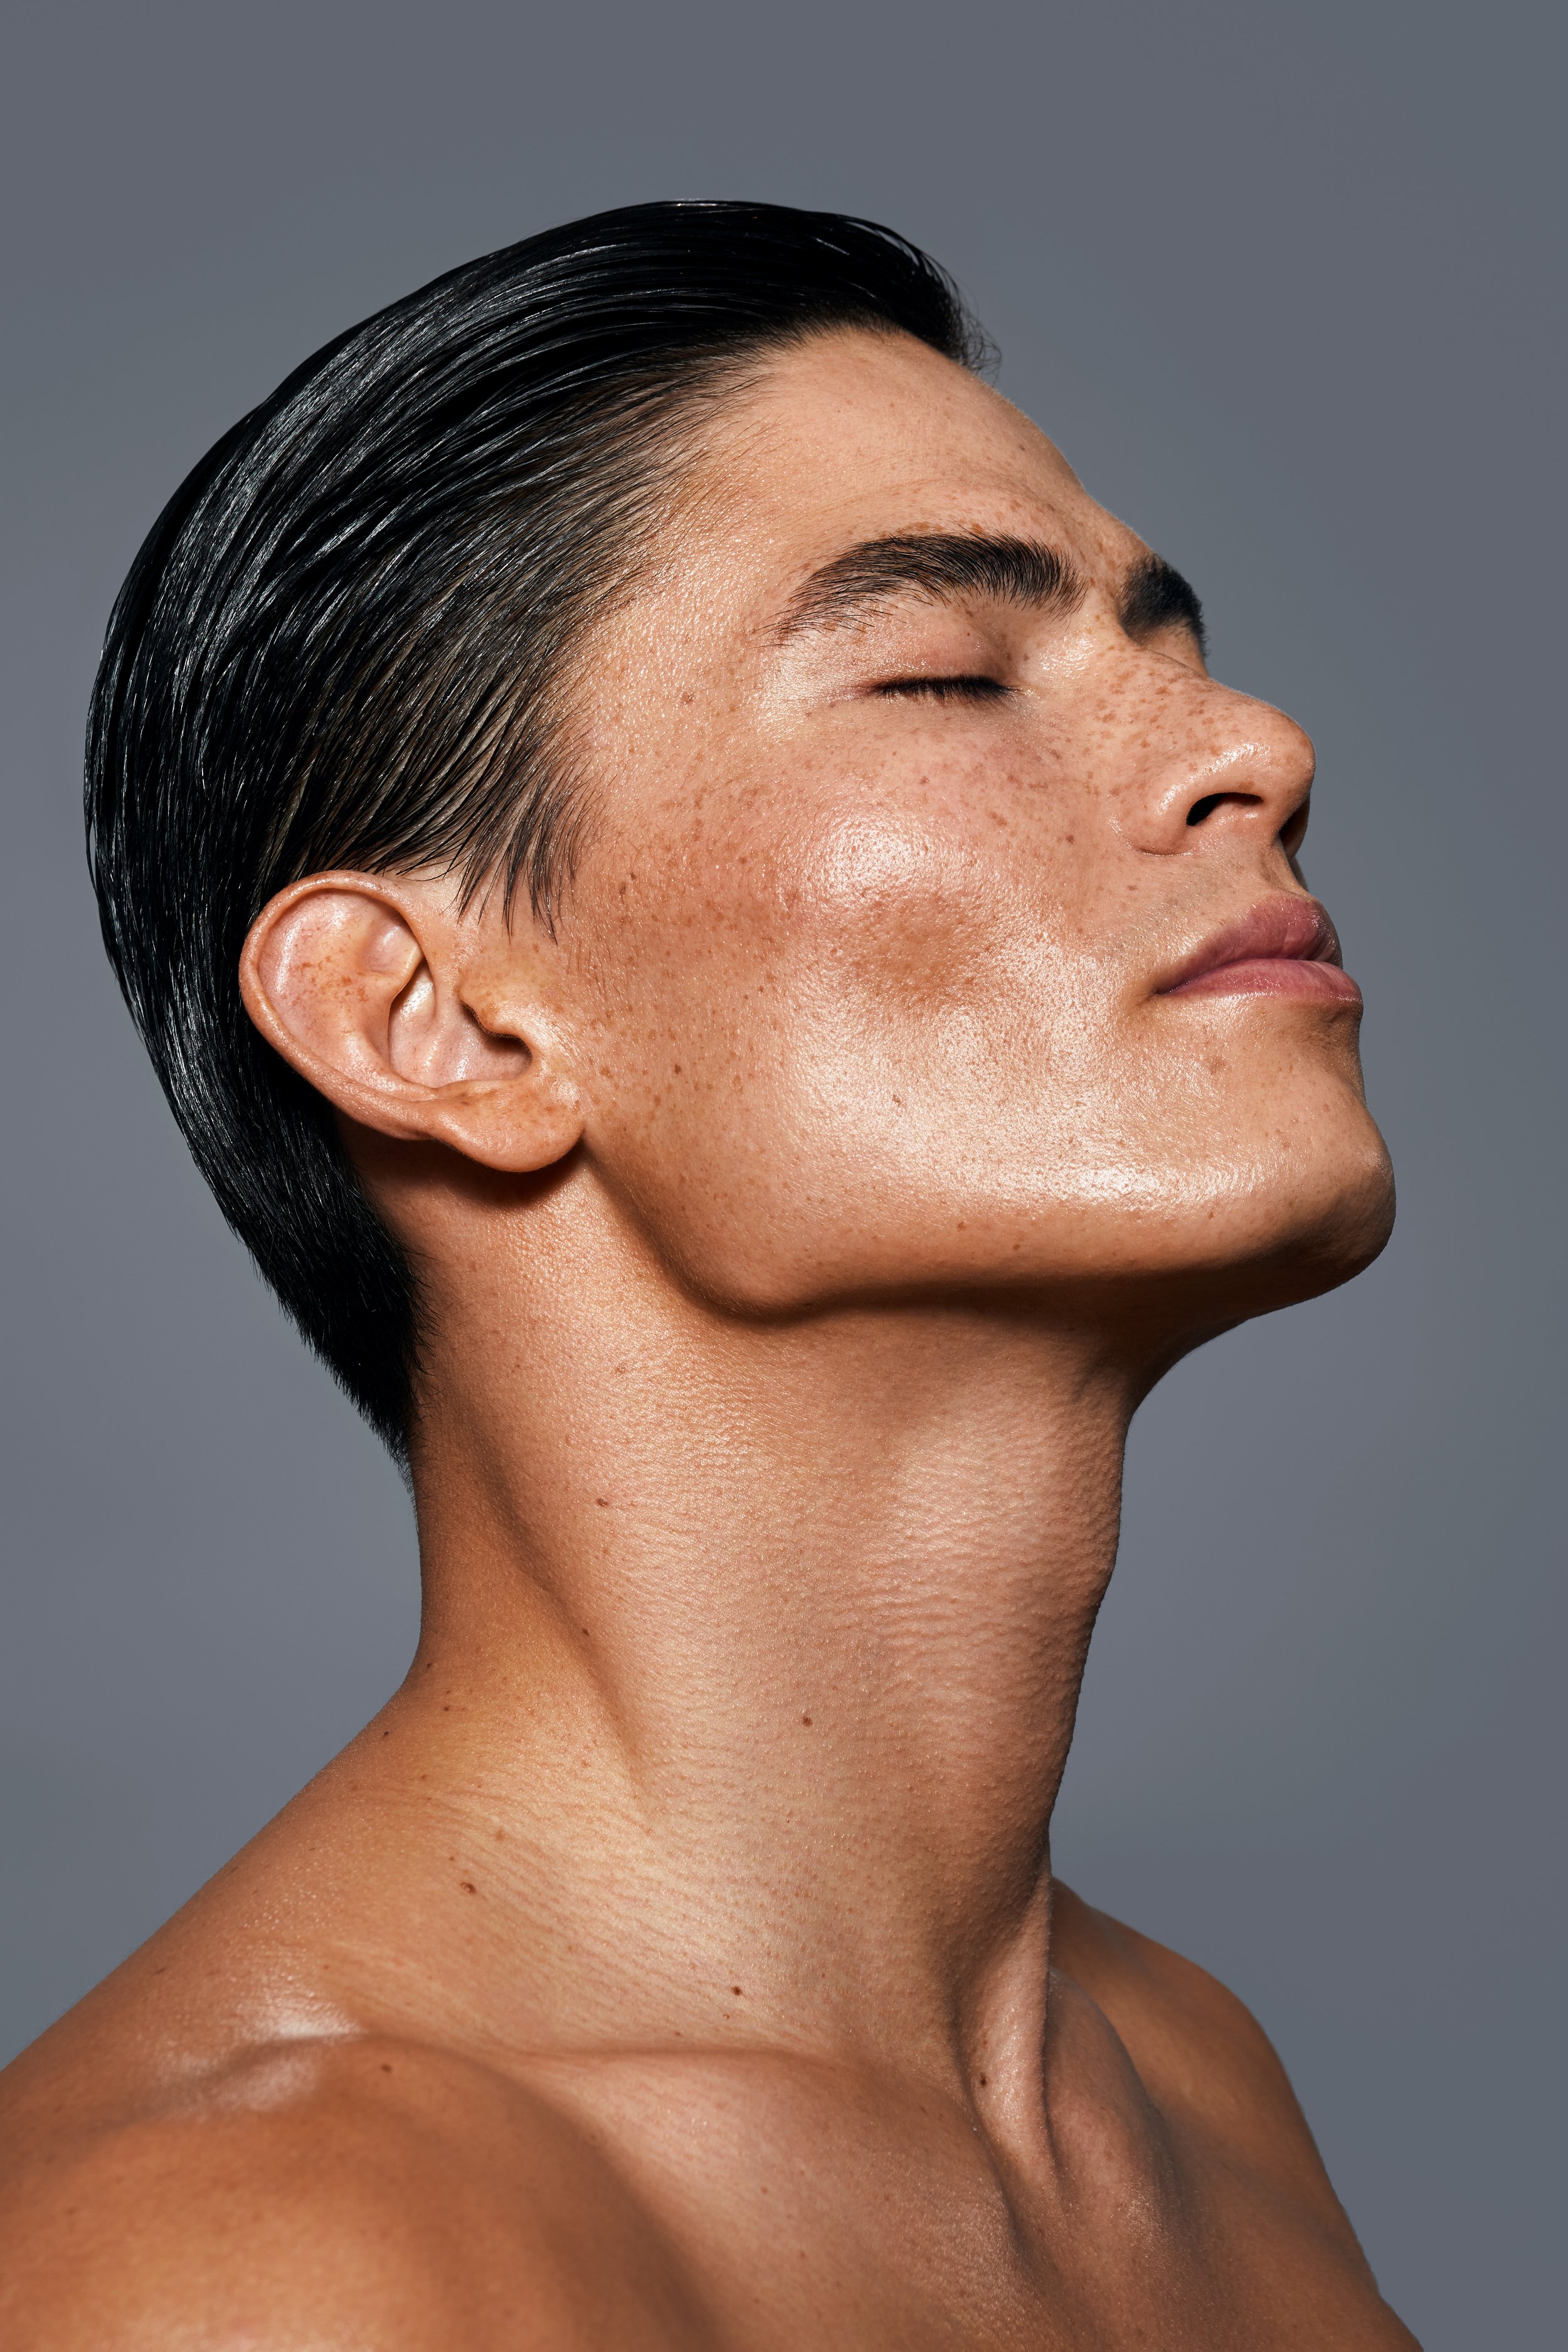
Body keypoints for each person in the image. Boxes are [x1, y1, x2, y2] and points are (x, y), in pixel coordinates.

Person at [0, 201, 1415, 2349]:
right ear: (435, 1023)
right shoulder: (264, 2260)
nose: (1260, 747)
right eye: (945, 675)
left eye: (1172, 645)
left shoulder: (1186, 2093)